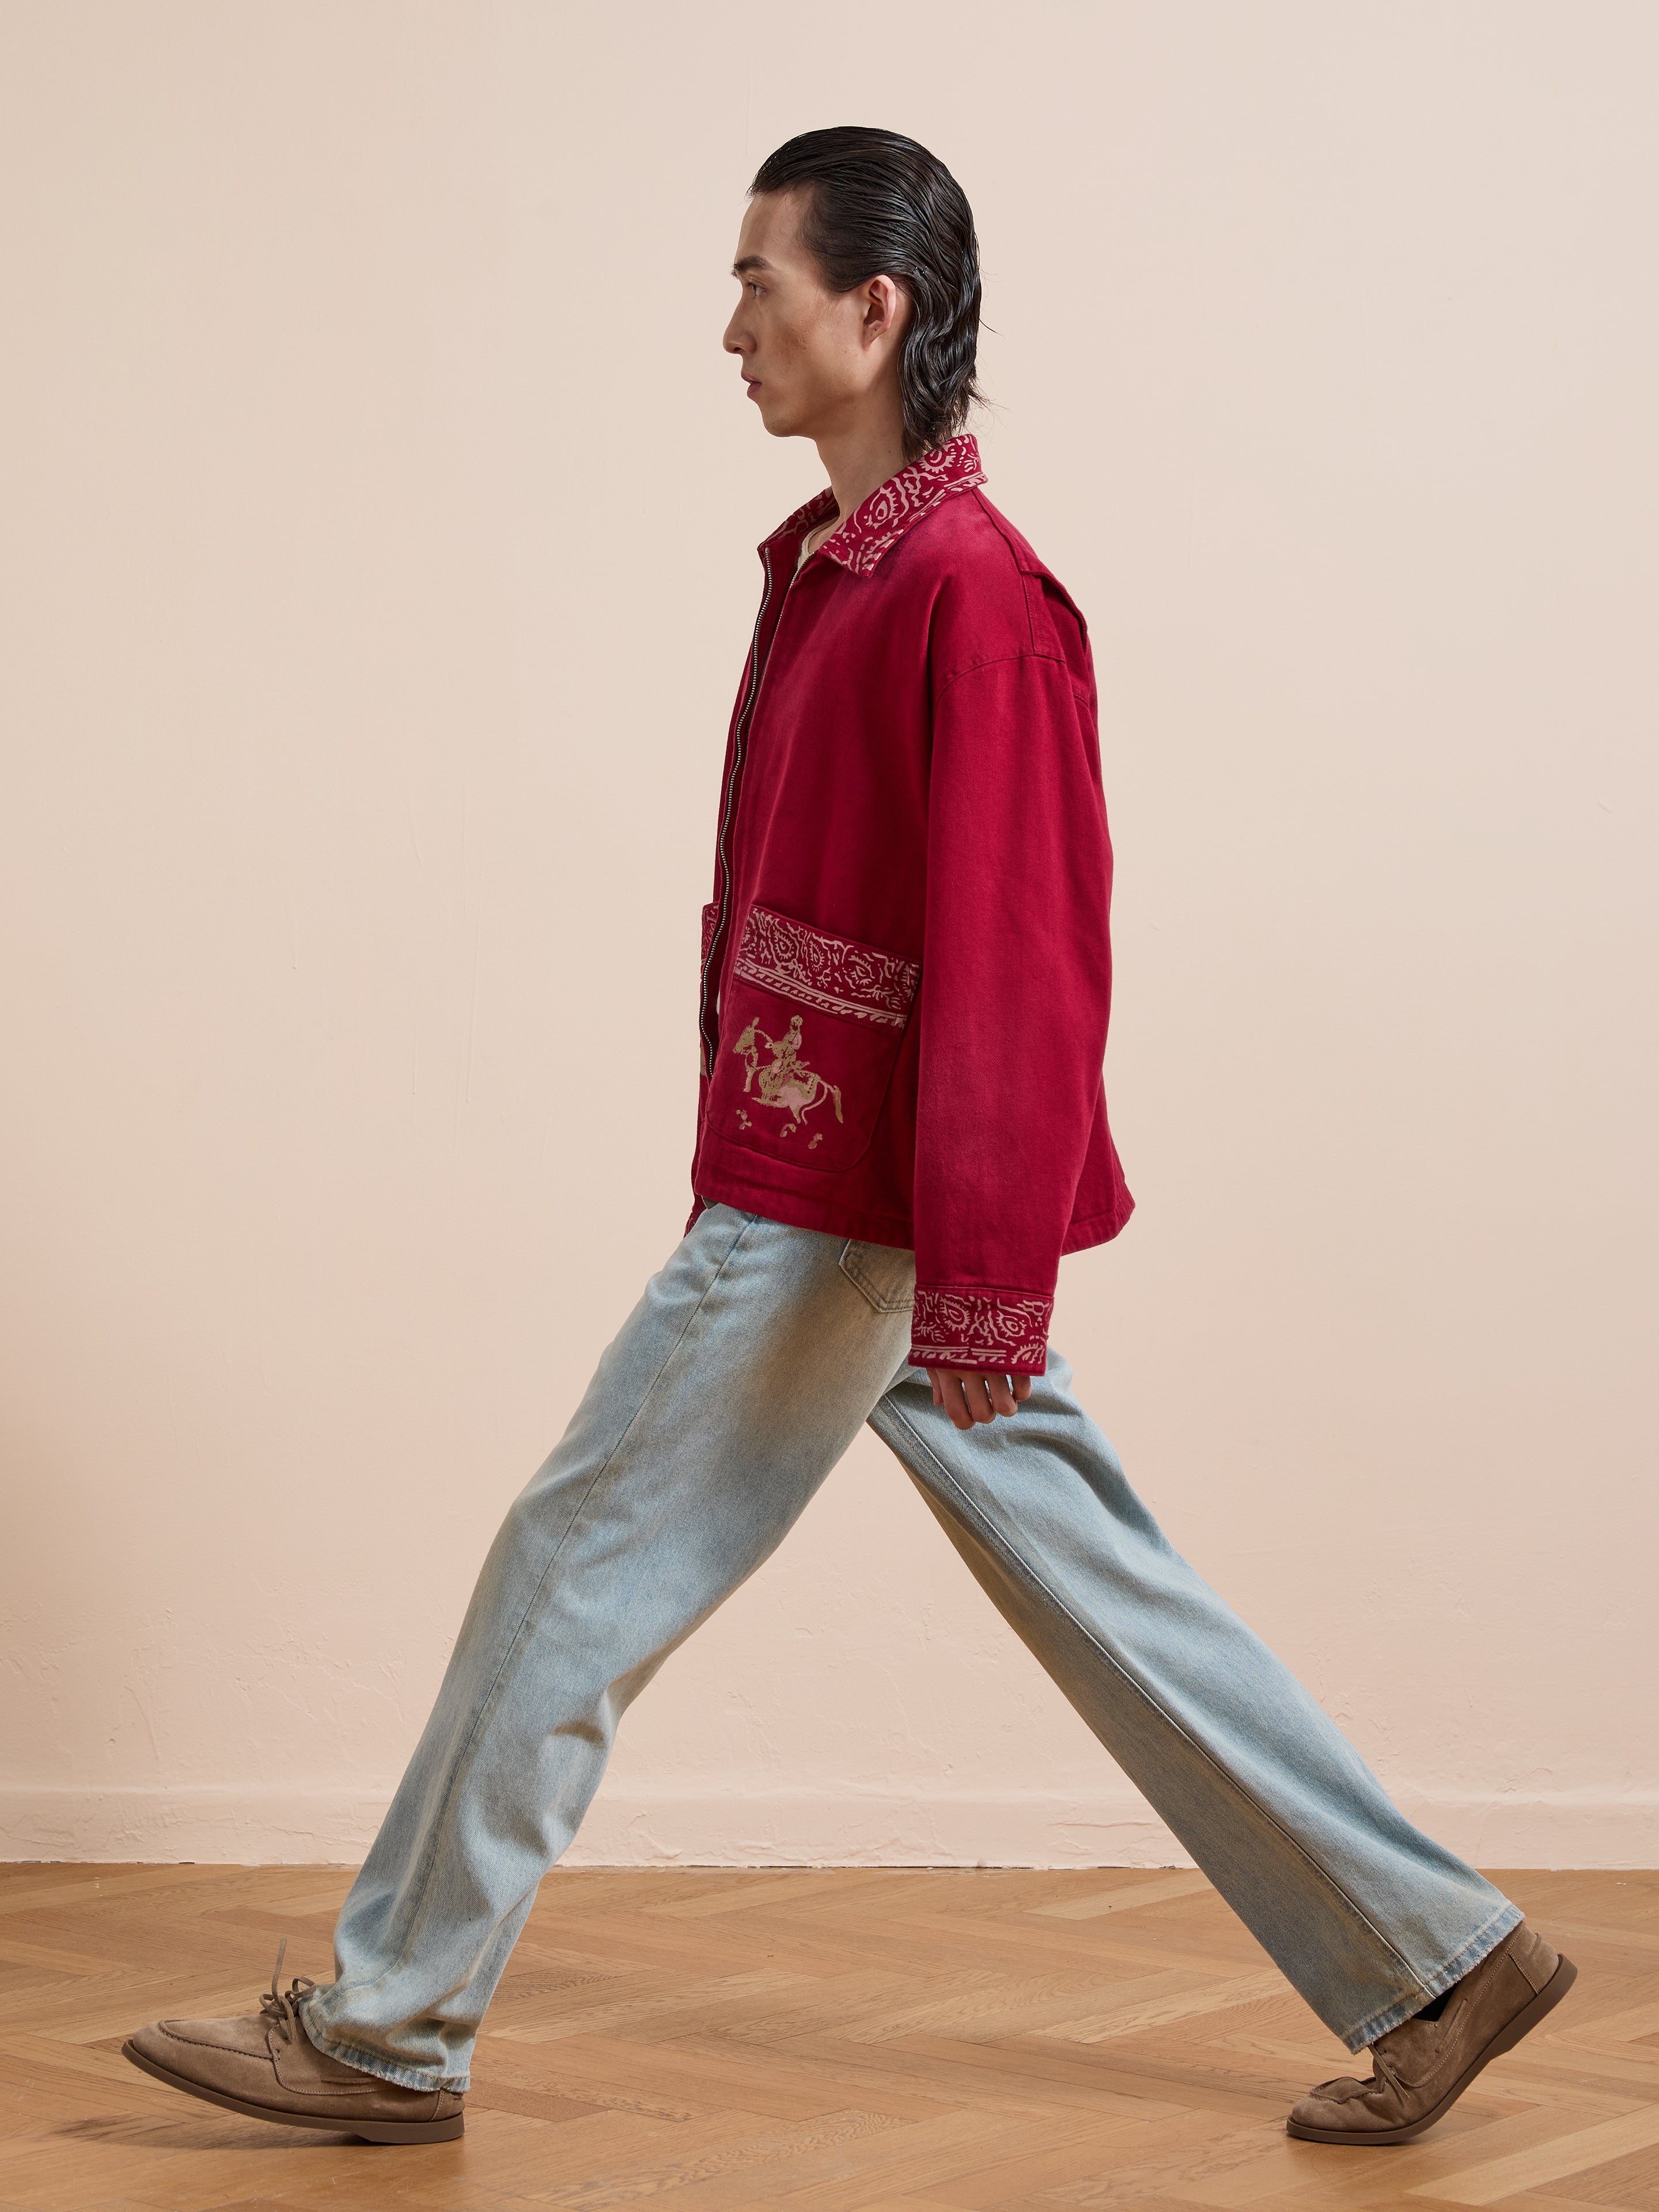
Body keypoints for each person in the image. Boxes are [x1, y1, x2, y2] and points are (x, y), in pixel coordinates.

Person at [123, 124, 1575, 2153]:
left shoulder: (977, 600)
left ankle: (386, 2026)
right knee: (1105, 1585)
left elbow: (1026, 962)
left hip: (850, 1215)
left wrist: (981, 1276)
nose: (729, 327)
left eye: (757, 283)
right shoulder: (841, 571)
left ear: (871, 310)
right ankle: (1437, 1952)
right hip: (850, 1184)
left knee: (572, 1560)